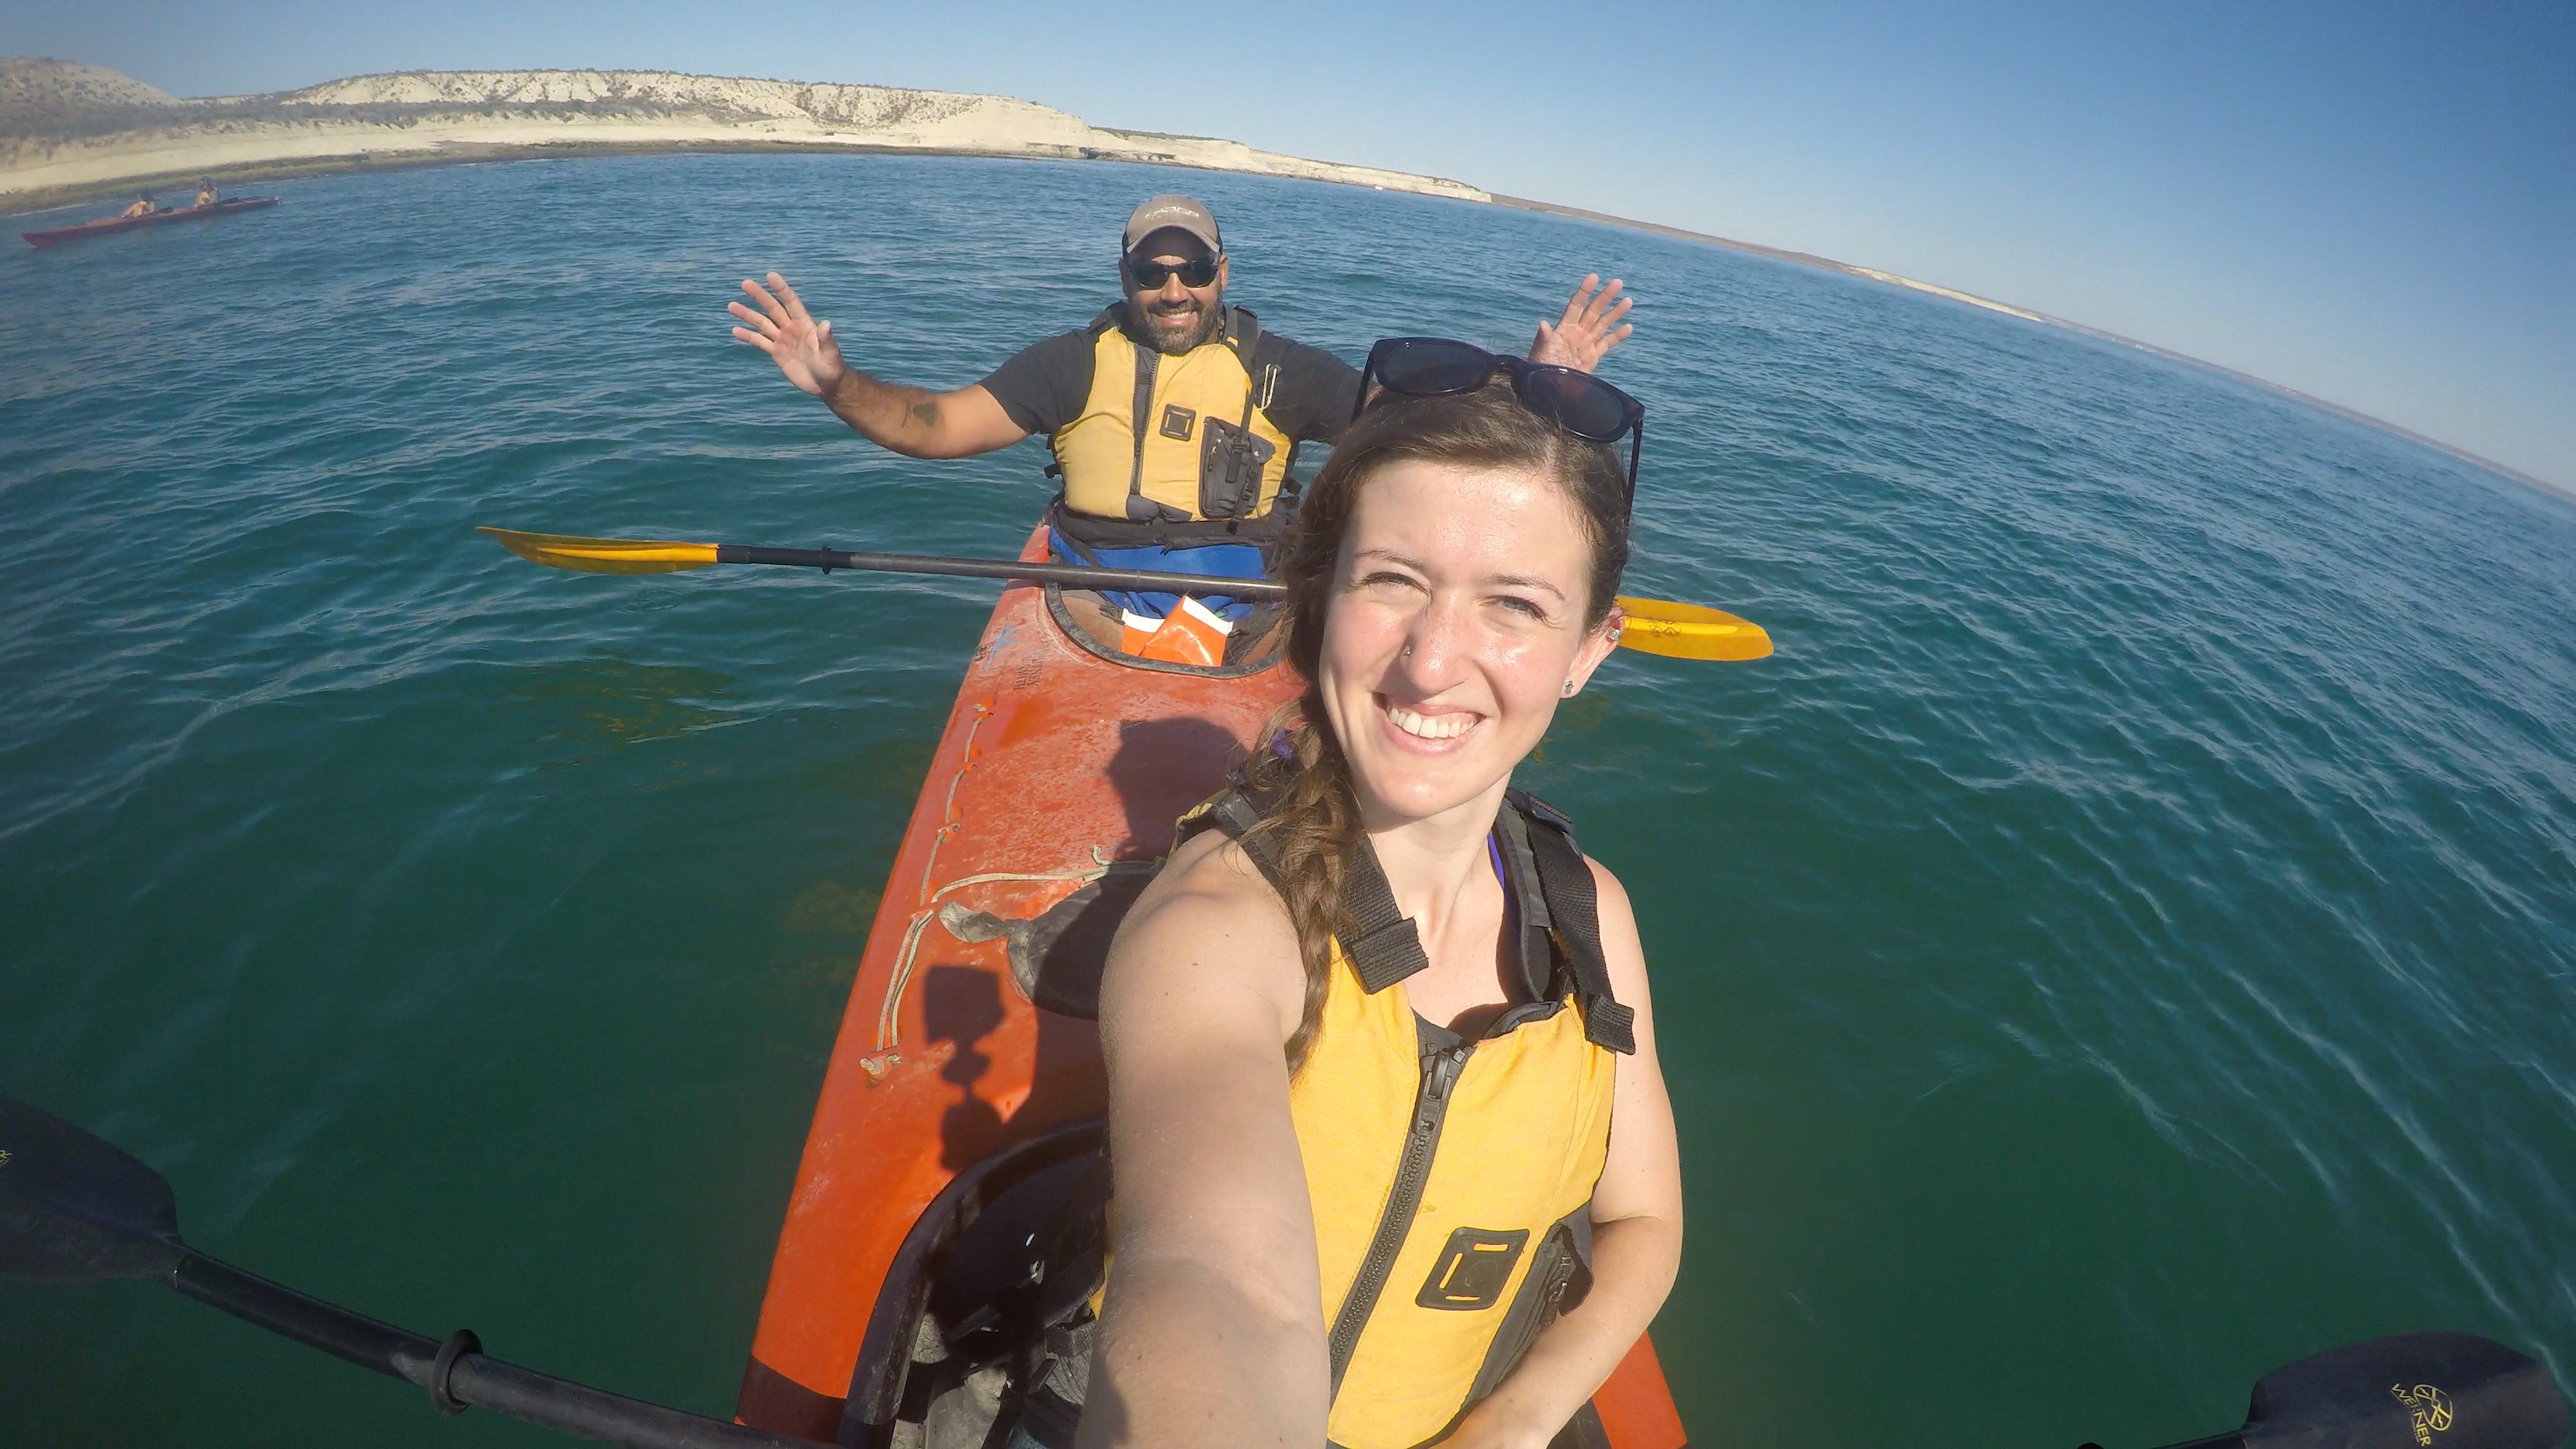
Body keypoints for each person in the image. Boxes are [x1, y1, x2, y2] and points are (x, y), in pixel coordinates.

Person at [1072, 340, 1682, 1449]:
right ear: (1322, 593)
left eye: (1514, 604)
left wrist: (1515, 1421)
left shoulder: (1590, 914)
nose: (1432, 660)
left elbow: (1643, 1218)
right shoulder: (1220, 926)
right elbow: (1217, 1284)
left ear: (1592, 648)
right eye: (1393, 580)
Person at [726, 195, 1634, 620]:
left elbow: (1419, 424)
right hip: (1090, 581)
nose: (1173, 289)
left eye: (1192, 268)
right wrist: (839, 385)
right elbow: (933, 427)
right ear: (1124, 276)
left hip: (1248, 589)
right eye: (1151, 271)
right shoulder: (1069, 364)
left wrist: (1541, 385)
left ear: (1220, 273)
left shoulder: (1279, 370)